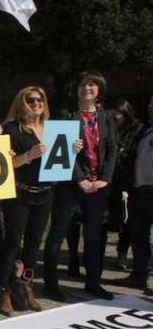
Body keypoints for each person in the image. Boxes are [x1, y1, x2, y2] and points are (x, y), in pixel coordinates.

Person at [0, 87, 80, 314]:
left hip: (45, 193)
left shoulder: (52, 129)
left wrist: (73, 149)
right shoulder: (12, 129)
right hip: (21, 193)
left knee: (34, 244)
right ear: (21, 103)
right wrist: (28, 156)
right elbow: (5, 164)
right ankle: (4, 289)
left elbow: (61, 159)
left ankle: (25, 287)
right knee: (13, 243)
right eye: (31, 100)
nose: (37, 103)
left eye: (40, 99)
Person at [43, 71, 117, 301]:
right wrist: (79, 178)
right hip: (70, 185)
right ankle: (51, 284)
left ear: (99, 90)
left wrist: (105, 178)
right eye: (84, 84)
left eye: (93, 85)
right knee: (57, 234)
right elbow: (59, 149)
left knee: (94, 236)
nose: (87, 87)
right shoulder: (66, 116)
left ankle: (93, 282)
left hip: (98, 186)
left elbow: (113, 148)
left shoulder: (106, 117)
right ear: (77, 89)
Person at [122, 95, 153, 294]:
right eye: (150, 105)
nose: (150, 109)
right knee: (139, 235)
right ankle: (139, 274)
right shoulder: (144, 130)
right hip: (140, 189)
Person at [109, 99, 144, 270]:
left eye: (120, 113)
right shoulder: (109, 128)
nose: (116, 116)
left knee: (128, 221)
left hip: (129, 181)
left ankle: (122, 254)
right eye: (114, 112)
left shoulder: (137, 130)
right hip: (111, 180)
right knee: (109, 219)